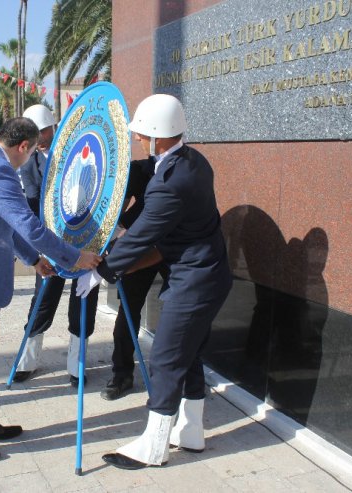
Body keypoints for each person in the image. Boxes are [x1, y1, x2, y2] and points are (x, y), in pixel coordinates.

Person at [76, 94, 232, 470]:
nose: (139, 140)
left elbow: (142, 236)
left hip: (196, 279)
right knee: (189, 352)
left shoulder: (170, 181)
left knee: (165, 356)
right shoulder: (192, 161)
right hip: (204, 273)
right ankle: (191, 431)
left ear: (159, 137)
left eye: (143, 134)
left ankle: (154, 445)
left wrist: (101, 272)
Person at [0, 117, 101, 464]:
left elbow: (3, 225)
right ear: (24, 146)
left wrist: (33, 260)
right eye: (32, 151)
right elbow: (28, 225)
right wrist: (74, 257)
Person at [13, 104, 101, 386]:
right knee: (42, 302)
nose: (38, 137)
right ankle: (27, 360)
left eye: (41, 131)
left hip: (85, 243)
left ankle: (76, 366)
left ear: (53, 128)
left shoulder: (76, 152)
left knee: (83, 303)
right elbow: (32, 204)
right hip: (51, 244)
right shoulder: (29, 164)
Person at [100, 157, 161, 401]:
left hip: (174, 247)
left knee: (179, 316)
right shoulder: (139, 169)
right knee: (127, 311)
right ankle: (122, 374)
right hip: (140, 247)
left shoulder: (184, 169)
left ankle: (180, 377)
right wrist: (119, 229)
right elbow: (117, 207)